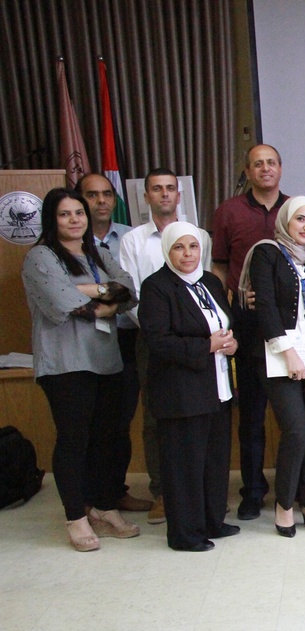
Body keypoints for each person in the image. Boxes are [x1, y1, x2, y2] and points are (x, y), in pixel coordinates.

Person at [22, 187, 139, 551]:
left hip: (105, 359)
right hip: (65, 363)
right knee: (74, 440)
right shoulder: (41, 256)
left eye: (78, 213)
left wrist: (94, 291)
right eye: (64, 214)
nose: (74, 220)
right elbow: (66, 302)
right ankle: (76, 517)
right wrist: (105, 293)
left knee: (107, 438)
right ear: (51, 220)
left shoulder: (98, 253)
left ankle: (104, 507)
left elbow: (129, 290)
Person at [241, 196, 305, 537]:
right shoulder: (266, 253)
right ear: (285, 220)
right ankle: (284, 505)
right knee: (297, 432)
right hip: (280, 358)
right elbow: (265, 306)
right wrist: (289, 354)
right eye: (300, 219)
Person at [138, 222, 240, 551]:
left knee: (214, 461)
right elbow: (159, 341)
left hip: (216, 388)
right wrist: (207, 346)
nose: (187, 254)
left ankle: (212, 521)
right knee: (184, 467)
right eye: (179, 247)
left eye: (193, 246)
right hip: (180, 393)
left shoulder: (210, 281)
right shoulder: (156, 287)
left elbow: (226, 324)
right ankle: (185, 534)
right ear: (167, 251)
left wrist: (231, 343)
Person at [120, 168, 212, 525]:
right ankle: (162, 493)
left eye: (170, 188)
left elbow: (203, 284)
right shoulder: (133, 240)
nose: (164, 194)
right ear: (146, 196)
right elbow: (130, 295)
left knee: (200, 413)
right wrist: (160, 328)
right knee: (157, 416)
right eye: (156, 189)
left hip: (201, 340)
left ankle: (201, 493)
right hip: (152, 340)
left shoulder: (198, 235)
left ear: (179, 194)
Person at [211, 144, 289, 521]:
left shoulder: (295, 208)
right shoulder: (229, 211)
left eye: (271, 162)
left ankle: (294, 488)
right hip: (247, 323)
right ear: (248, 170)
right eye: (258, 163)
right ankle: (253, 490)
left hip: (291, 326)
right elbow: (219, 266)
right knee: (252, 414)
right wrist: (226, 309)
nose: (265, 168)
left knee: (293, 414)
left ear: (280, 168)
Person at [77, 173, 151, 513]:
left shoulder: (130, 237)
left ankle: (115, 491)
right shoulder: (70, 241)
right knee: (88, 422)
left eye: (107, 194)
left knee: (120, 420)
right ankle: (86, 498)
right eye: (92, 195)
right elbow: (66, 294)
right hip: (83, 338)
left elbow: (131, 290)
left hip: (126, 335)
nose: (101, 201)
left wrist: (109, 300)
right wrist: (108, 296)